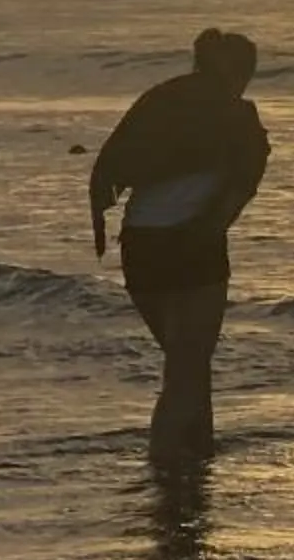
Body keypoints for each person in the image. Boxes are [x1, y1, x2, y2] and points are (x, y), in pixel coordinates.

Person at [90, 29, 272, 471]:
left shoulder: (161, 102)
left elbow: (113, 162)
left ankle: (197, 458)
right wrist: (209, 232)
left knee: (187, 362)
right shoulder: (236, 116)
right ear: (239, 71)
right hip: (191, 245)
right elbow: (237, 191)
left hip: (139, 244)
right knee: (188, 368)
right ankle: (167, 465)